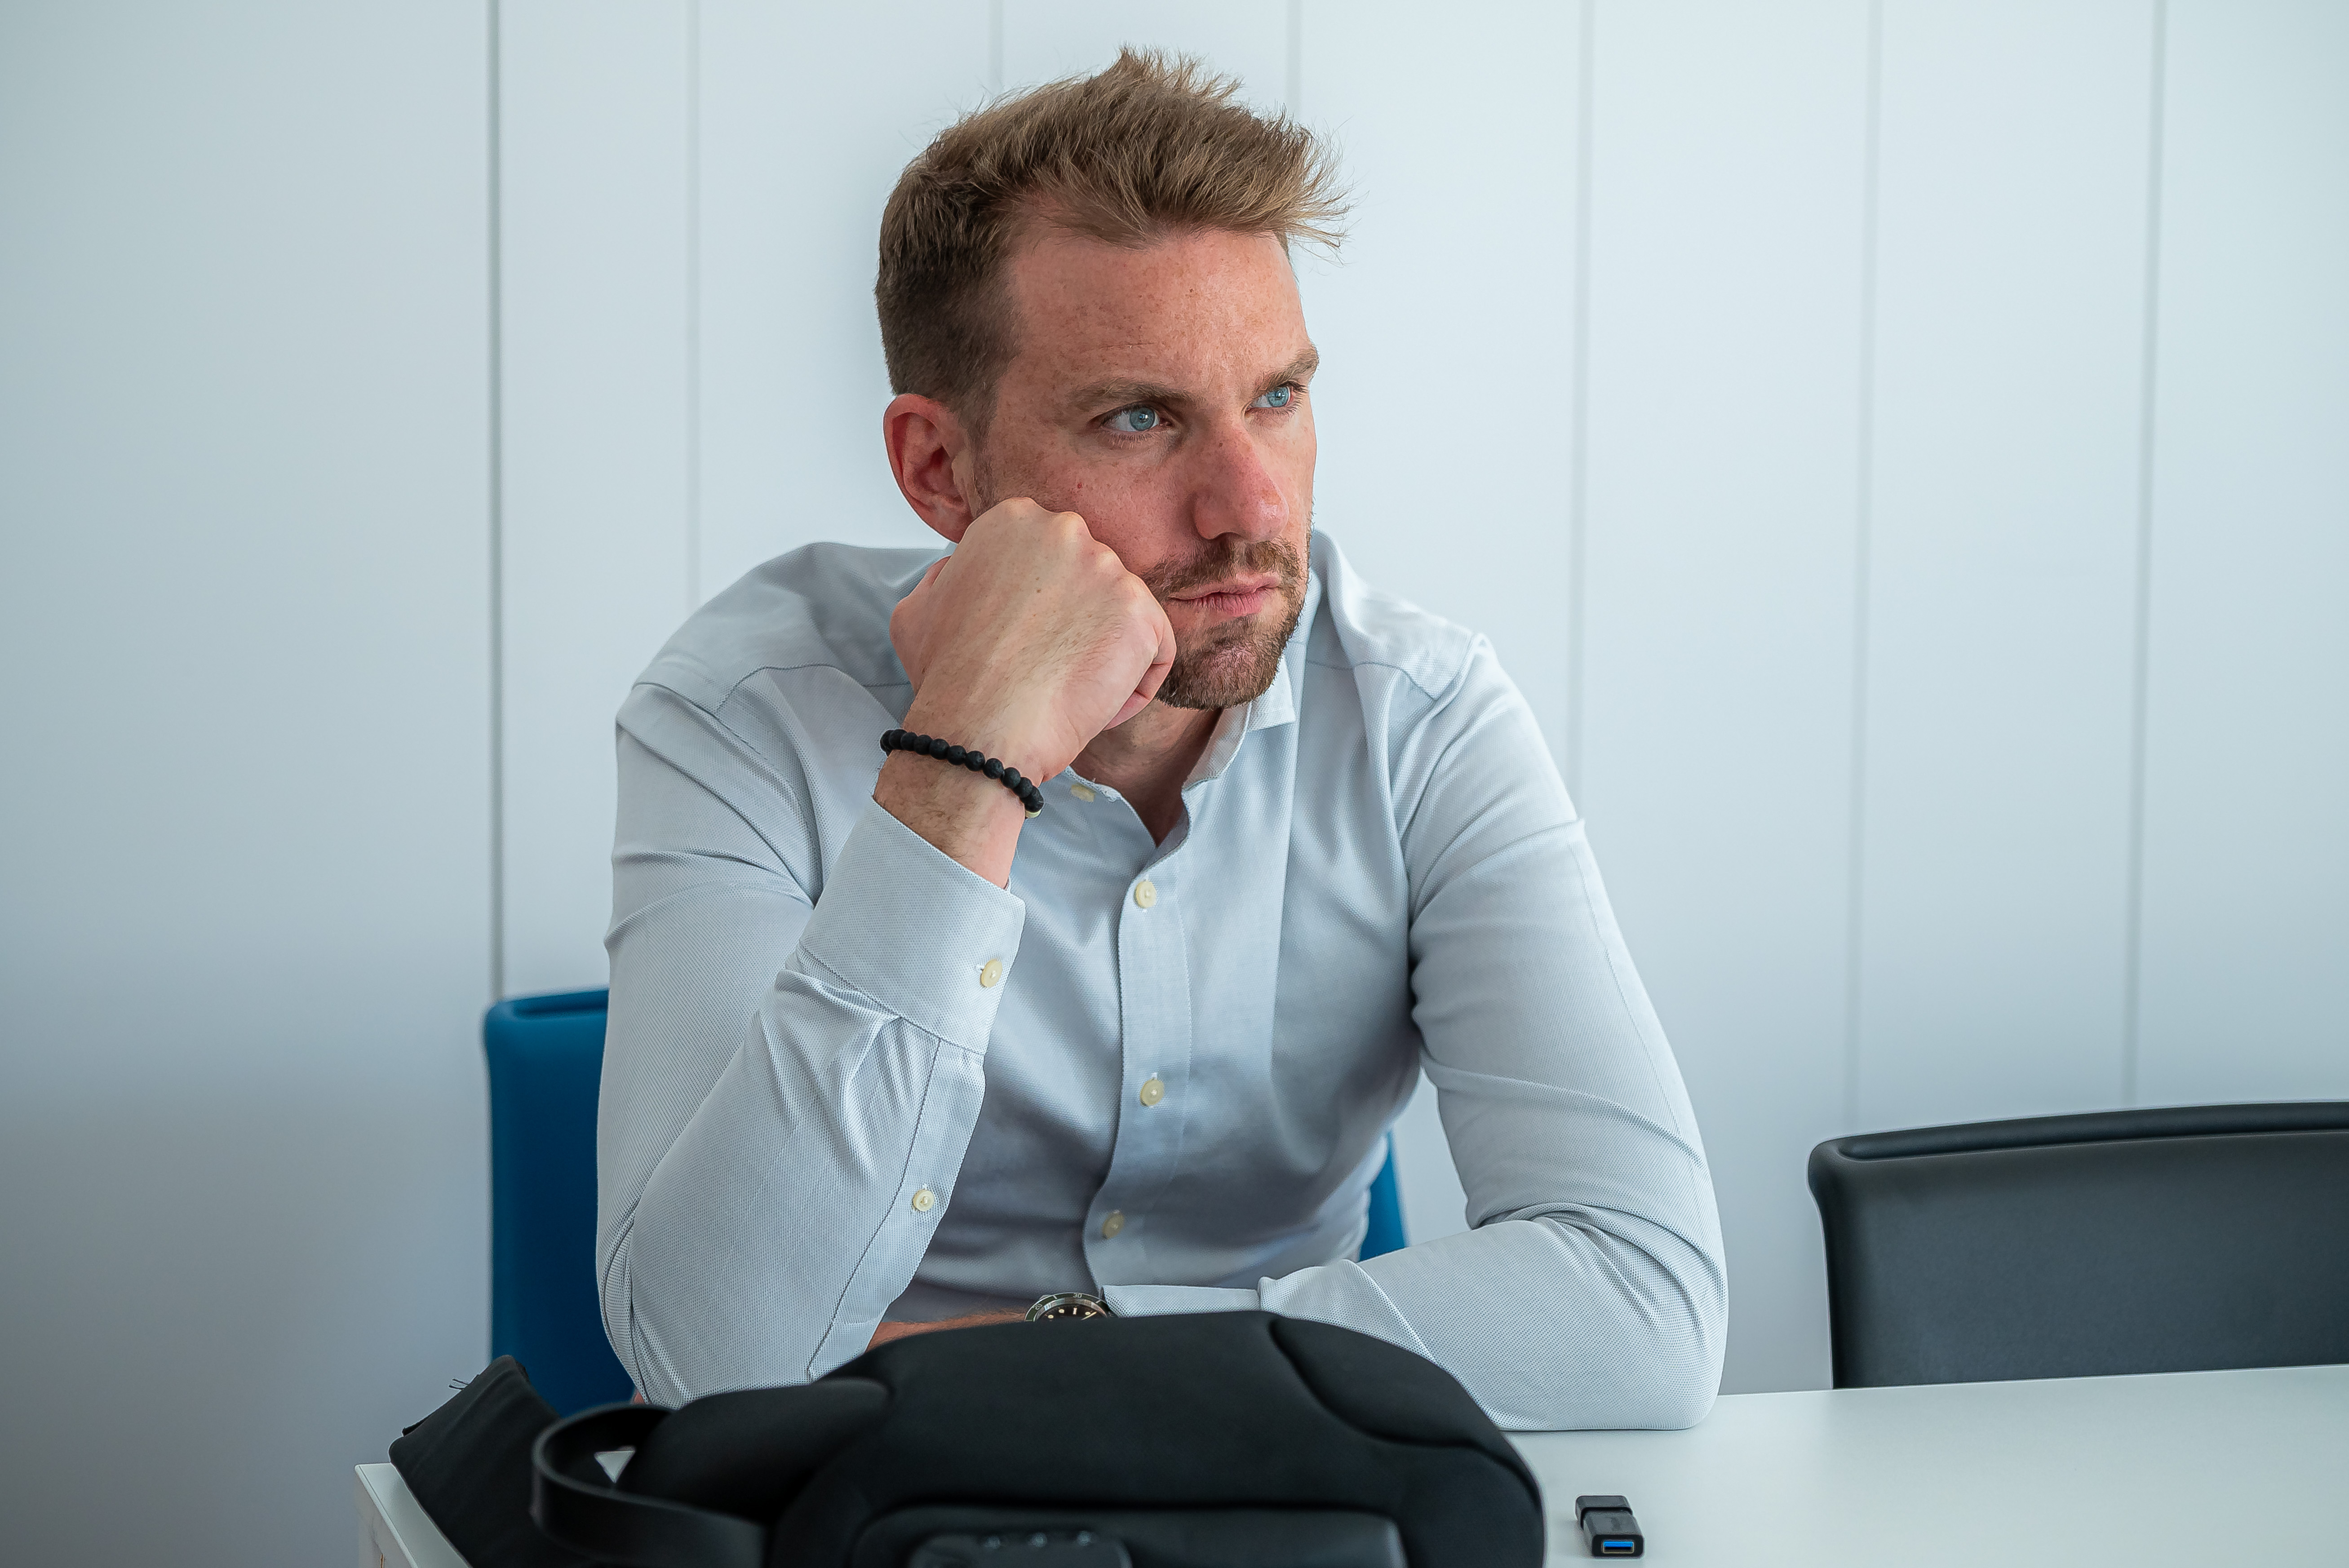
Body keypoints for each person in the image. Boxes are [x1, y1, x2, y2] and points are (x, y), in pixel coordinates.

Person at [596, 50, 1724, 1431]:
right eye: (1140, 418)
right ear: (938, 467)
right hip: (884, 1503)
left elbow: (1644, 1311)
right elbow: (718, 1366)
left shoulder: (1420, 714)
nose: (1252, 508)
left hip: (1272, 1478)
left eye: (1276, 397)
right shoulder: (746, 714)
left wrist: (1041, 1351)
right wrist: (962, 762)